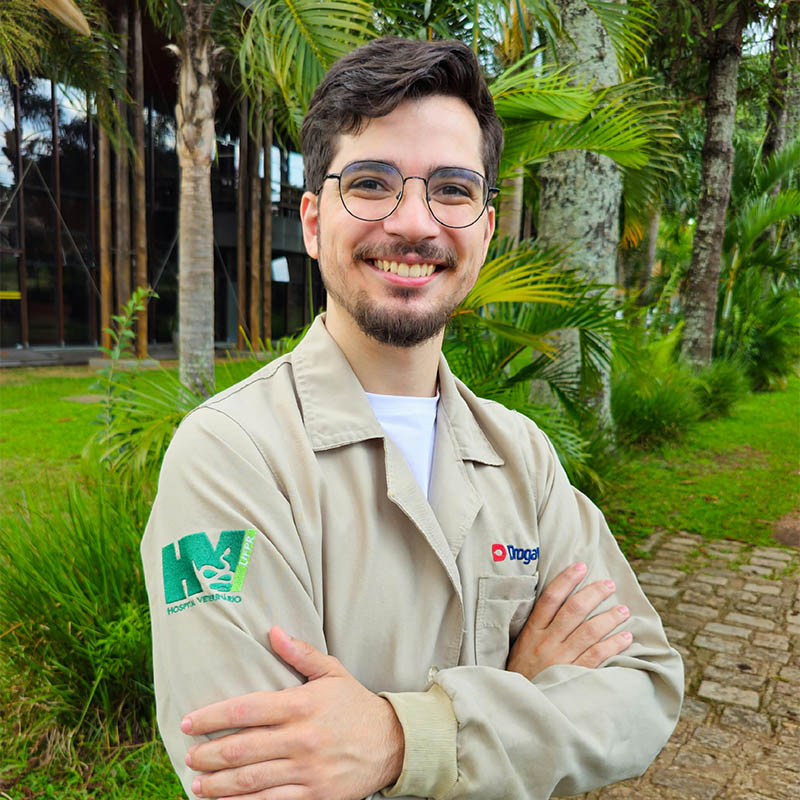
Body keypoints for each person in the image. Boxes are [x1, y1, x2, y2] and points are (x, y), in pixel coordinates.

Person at [141, 37, 683, 800]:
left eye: (453, 189)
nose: (414, 223)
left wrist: (401, 739)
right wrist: (521, 690)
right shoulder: (232, 457)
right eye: (371, 183)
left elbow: (644, 689)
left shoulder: (521, 457)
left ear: (484, 231)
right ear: (312, 221)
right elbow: (251, 776)